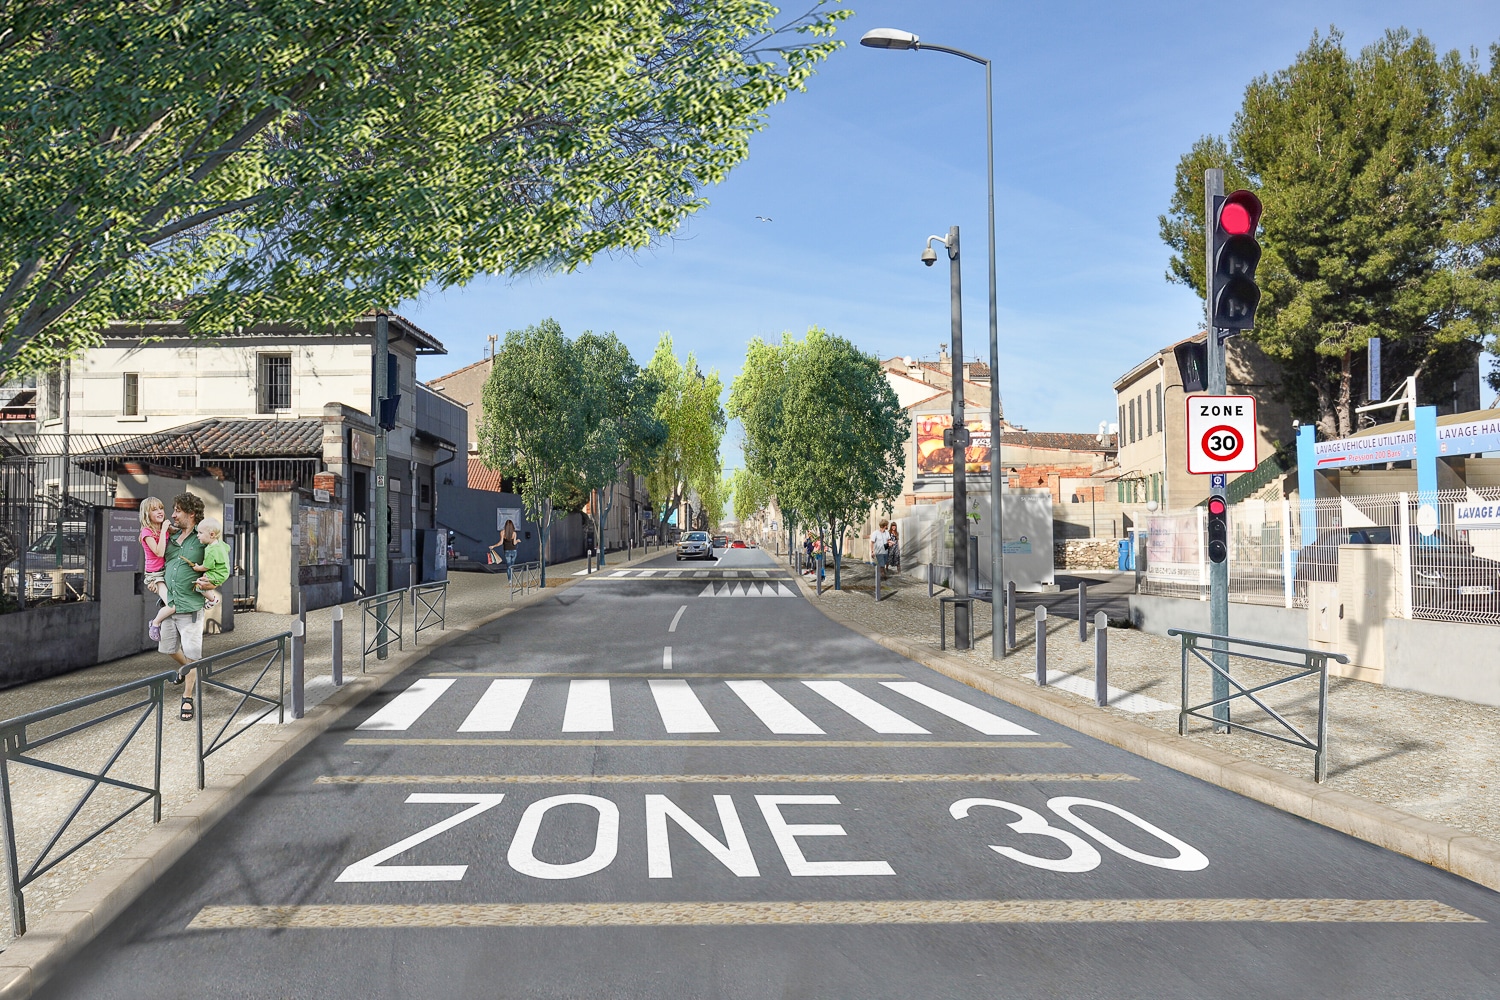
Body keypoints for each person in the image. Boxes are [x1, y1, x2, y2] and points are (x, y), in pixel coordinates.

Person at [158, 493, 227, 721]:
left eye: (178, 510)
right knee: (168, 649)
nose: (173, 515)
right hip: (169, 603)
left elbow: (222, 560)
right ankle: (185, 669)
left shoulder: (203, 537)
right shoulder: (172, 537)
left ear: (191, 514)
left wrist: (215, 582)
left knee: (193, 655)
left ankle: (187, 698)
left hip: (191, 606)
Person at [139, 497, 175, 641]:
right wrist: (166, 529)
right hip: (155, 575)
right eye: (154, 510)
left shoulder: (163, 529)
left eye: (161, 508)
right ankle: (155, 622)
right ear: (147, 514)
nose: (160, 512)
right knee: (172, 605)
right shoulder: (147, 532)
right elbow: (159, 552)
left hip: (165, 571)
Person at [184, 516, 230, 609]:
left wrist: (197, 568)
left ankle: (212, 599)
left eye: (200, 533)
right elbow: (228, 548)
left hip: (217, 574)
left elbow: (207, 566)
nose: (197, 535)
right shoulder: (220, 544)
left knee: (199, 584)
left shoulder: (210, 550)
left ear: (212, 535)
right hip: (224, 571)